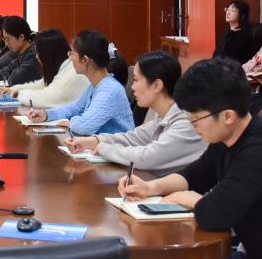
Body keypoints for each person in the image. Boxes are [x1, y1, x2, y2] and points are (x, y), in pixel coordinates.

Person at [120, 57, 262, 259]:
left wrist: (188, 199)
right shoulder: (227, 137)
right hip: (259, 255)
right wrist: (150, 187)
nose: (193, 125)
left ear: (227, 116)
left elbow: (214, 215)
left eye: (195, 119)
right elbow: (193, 175)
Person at [66, 50, 205, 171]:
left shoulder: (185, 122)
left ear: (156, 85)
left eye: (136, 80)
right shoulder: (163, 117)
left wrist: (103, 148)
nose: (132, 87)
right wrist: (93, 141)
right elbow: (132, 138)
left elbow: (148, 157)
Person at [27, 29, 133, 136]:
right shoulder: (95, 84)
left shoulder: (109, 90)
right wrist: (46, 114)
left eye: (72, 53)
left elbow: (84, 126)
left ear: (85, 60)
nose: (70, 57)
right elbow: (75, 108)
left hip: (114, 146)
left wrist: (70, 122)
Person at [4, 29, 88, 108]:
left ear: (48, 53)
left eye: (38, 52)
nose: (37, 57)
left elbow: (49, 98)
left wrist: (19, 94)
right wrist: (14, 89)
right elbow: (42, 84)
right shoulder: (63, 67)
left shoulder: (73, 72)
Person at [0, 16, 42, 86]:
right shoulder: (21, 53)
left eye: (8, 39)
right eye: (4, 39)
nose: (6, 44)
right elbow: (9, 69)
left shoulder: (33, 54)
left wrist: (2, 76)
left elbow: (16, 78)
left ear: (21, 37)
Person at [213, 0, 259, 65]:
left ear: (242, 16)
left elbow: (227, 53)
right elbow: (216, 54)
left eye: (232, 11)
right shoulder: (228, 32)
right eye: (227, 10)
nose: (228, 13)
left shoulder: (244, 35)